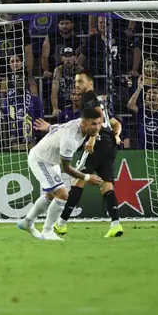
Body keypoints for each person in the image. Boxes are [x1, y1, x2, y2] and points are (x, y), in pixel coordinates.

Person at [53, 70, 125, 238]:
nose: (77, 85)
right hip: (110, 145)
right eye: (76, 82)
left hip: (98, 143)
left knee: (78, 179)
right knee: (106, 184)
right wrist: (116, 134)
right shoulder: (100, 99)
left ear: (90, 84)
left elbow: (98, 116)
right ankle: (115, 224)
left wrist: (92, 138)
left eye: (80, 82)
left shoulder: (89, 97)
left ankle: (61, 223)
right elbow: (115, 122)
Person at [17, 108, 104, 240]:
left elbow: (61, 127)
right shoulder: (70, 139)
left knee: (51, 196)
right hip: (41, 160)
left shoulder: (78, 124)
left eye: (98, 123)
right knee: (62, 194)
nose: (96, 127)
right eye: (93, 124)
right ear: (83, 123)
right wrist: (87, 177)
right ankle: (47, 231)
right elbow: (67, 168)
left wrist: (49, 127)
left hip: (51, 161)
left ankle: (27, 222)